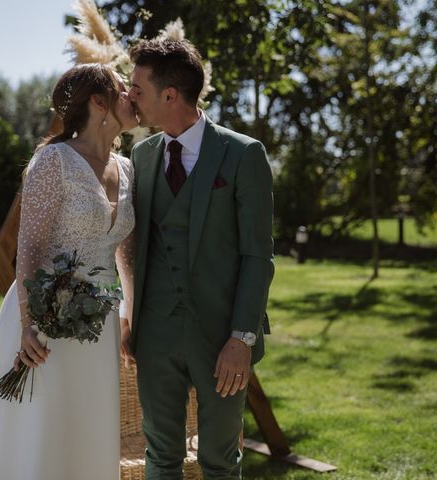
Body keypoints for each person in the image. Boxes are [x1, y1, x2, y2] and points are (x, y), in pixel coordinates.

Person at [0, 63, 137, 480]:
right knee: (42, 432)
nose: (131, 95)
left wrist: (129, 314)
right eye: (122, 88)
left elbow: (126, 252)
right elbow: (31, 248)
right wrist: (28, 325)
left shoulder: (127, 167)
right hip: (43, 319)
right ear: (98, 102)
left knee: (88, 431)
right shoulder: (52, 161)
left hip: (101, 324)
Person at [125, 38, 274, 480]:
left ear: (169, 95)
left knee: (220, 461)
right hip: (154, 335)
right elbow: (133, 250)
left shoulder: (243, 153)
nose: (130, 95)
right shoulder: (141, 156)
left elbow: (257, 255)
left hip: (221, 336)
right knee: (160, 457)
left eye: (137, 88)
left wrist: (241, 338)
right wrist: (129, 317)